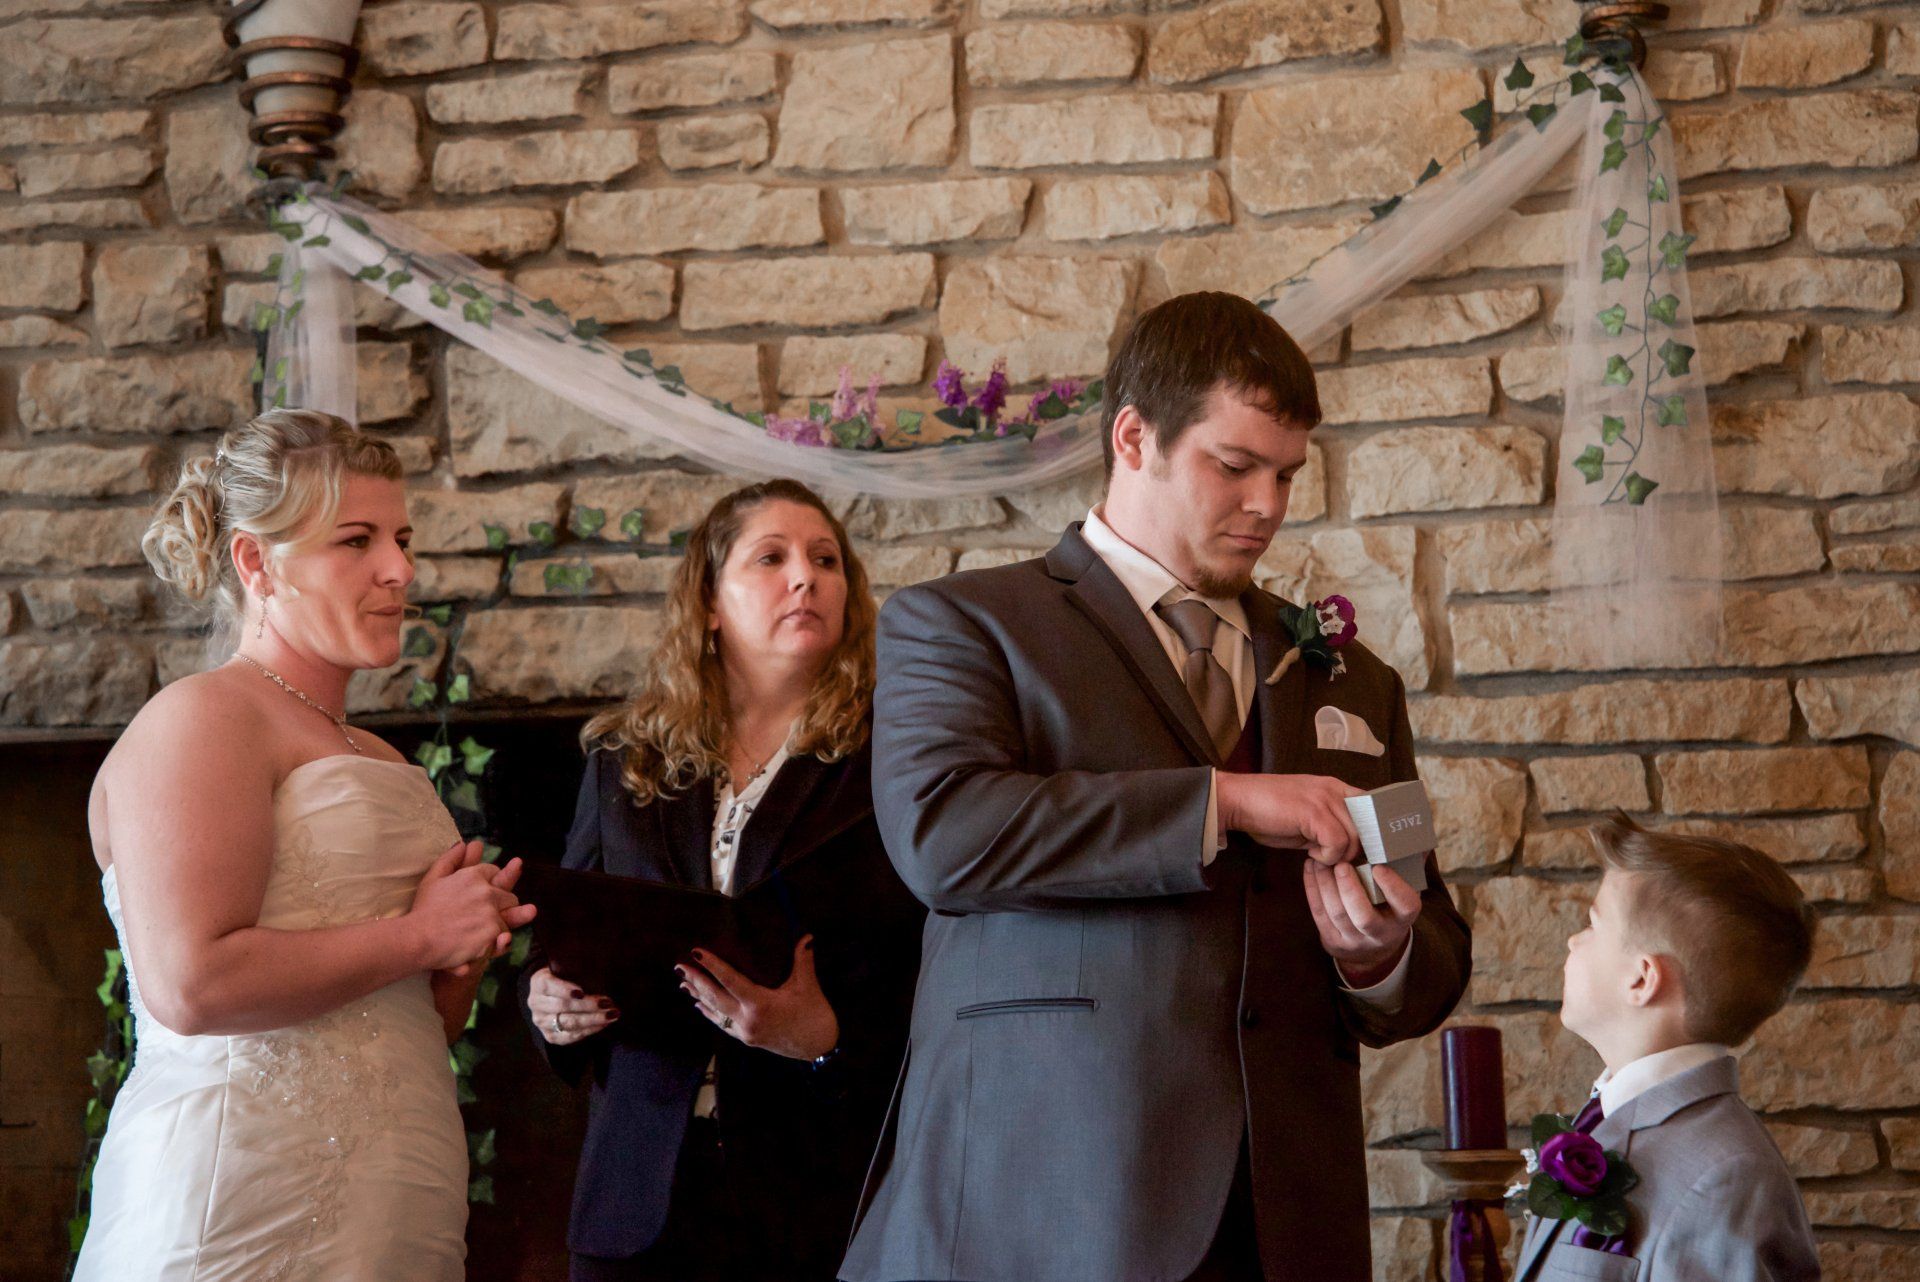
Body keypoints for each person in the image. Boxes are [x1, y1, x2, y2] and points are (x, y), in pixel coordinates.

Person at [840, 291, 1473, 1282]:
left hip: (1282, 1227)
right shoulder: (965, 625)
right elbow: (943, 835)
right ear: (1134, 436)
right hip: (1045, 1210)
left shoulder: (1351, 678)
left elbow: (1431, 942)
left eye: (1286, 473)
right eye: (1235, 465)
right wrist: (1224, 801)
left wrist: (1381, 955)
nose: (1269, 503)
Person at [75, 408, 535, 1281]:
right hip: (243, 1196)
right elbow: (191, 984)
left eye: (401, 537)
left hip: (394, 1202)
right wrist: (421, 935)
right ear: (256, 561)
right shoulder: (202, 718)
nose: (400, 569)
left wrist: (456, 967)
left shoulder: (381, 757)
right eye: (355, 540)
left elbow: (390, 1027)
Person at [521, 479, 925, 1282]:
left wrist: (824, 1044)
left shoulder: (898, 760)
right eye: (770, 558)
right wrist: (546, 1006)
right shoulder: (623, 759)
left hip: (818, 1191)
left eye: (825, 560)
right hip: (636, 1196)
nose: (805, 577)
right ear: (708, 602)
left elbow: (933, 965)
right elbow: (567, 932)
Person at [1515, 814, 1820, 1282]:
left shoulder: (1727, 1180)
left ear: (1641, 978)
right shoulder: (1608, 1120)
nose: (1574, 939)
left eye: (1592, 924)